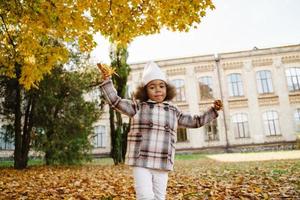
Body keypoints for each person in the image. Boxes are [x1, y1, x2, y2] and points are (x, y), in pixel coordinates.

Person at [98, 61, 223, 200]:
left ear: (167, 89)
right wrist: (107, 80)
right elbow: (115, 101)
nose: (158, 90)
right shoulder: (138, 107)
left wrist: (213, 110)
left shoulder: (173, 111)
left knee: (159, 197)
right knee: (145, 196)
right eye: (152, 87)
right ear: (145, 91)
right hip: (141, 160)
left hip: (162, 162)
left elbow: (196, 121)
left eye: (161, 86)